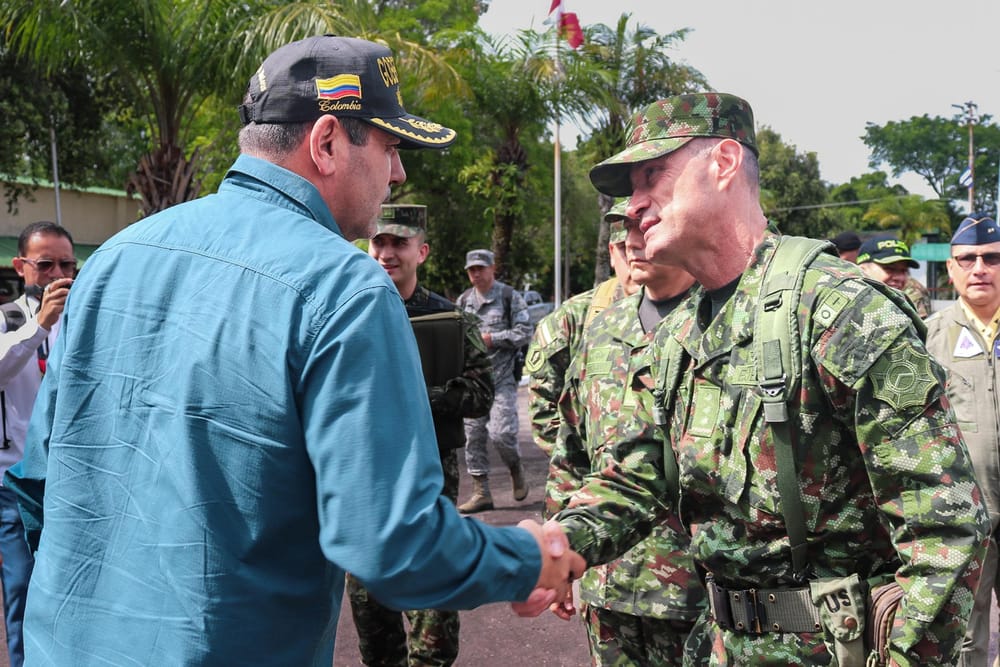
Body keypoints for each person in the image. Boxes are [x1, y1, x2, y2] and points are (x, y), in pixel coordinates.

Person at [4, 35, 583, 666]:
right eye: (390, 147)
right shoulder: (344, 288)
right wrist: (530, 558)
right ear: (328, 141)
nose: (399, 173)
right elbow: (392, 546)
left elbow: (38, 482)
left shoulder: (112, 260)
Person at [530, 92, 988, 665]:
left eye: (653, 176)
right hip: (721, 646)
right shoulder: (679, 335)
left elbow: (943, 528)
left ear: (723, 163)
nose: (635, 204)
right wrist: (552, 545)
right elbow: (641, 477)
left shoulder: (839, 311)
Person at [546, 212, 703, 666]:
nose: (629, 241)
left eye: (640, 227)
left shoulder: (719, 322)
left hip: (693, 591)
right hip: (608, 584)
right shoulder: (602, 329)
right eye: (622, 231)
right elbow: (570, 451)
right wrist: (559, 555)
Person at [347, 204, 494, 667]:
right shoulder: (349, 315)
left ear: (422, 251)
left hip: (428, 488)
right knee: (374, 630)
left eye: (399, 244)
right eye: (380, 243)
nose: (387, 253)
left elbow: (481, 394)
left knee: (432, 629)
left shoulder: (450, 320)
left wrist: (419, 395)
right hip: (363, 490)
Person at [925, 213, 1000, 667]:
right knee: (965, 637)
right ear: (950, 270)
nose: (979, 268)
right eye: (966, 259)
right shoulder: (928, 338)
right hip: (963, 514)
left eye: (991, 258)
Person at [0, 221, 74, 667]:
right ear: (21, 265)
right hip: (15, 483)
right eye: (45, 264)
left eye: (67, 264)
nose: (57, 273)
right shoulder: (8, 319)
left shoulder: (86, 318)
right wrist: (41, 325)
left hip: (71, 478)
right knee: (23, 588)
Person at [525, 198, 639, 456]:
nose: (634, 255)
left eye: (645, 244)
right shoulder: (574, 319)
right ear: (611, 253)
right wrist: (586, 468)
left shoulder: (690, 311)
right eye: (624, 248)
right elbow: (544, 412)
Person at [456, 249, 533, 513]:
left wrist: (494, 339)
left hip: (502, 380)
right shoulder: (464, 301)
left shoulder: (509, 297)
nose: (476, 274)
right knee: (473, 436)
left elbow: (525, 331)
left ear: (492, 269)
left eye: (480, 268)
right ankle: (481, 493)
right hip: (474, 382)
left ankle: (515, 467)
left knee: (502, 434)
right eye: (471, 270)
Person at [857, 235, 932, 317]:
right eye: (889, 269)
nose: (900, 277)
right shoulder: (848, 302)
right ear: (863, 270)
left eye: (903, 271)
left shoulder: (909, 297)